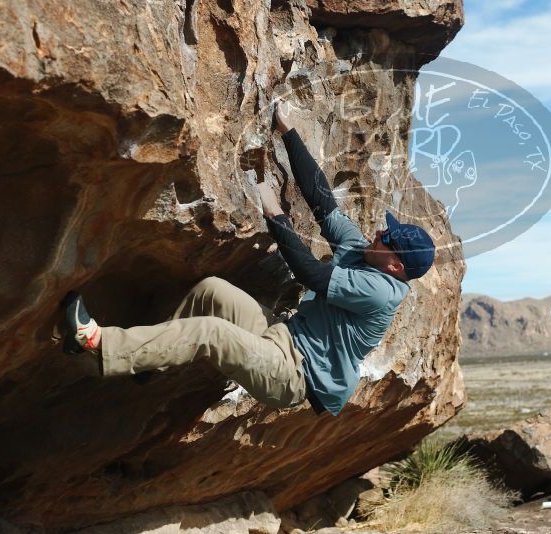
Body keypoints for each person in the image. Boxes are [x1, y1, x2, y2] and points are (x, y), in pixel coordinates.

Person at [59, 102, 436, 416]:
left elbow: (311, 274)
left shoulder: (383, 291)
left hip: (293, 374)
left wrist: (274, 212)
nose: (379, 234)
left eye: (388, 239)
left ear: (395, 267)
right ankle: (147, 359)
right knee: (211, 292)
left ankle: (98, 344)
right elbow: (322, 200)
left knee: (210, 332)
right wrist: (288, 132)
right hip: (284, 338)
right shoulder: (363, 253)